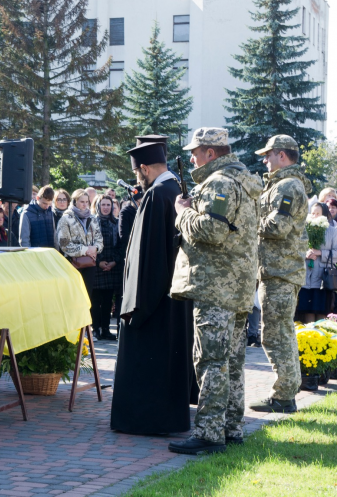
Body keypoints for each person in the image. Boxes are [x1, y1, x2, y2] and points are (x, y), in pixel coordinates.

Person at [168, 127, 262, 455]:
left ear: (211, 153)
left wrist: (183, 213)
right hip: (237, 286)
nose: (192, 157)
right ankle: (231, 428)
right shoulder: (244, 183)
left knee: (210, 360)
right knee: (232, 360)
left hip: (216, 285)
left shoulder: (220, 183)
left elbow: (212, 231)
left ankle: (209, 434)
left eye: (196, 151)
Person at [111, 141, 193, 436]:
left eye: (136, 174)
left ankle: (145, 420)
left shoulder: (157, 195)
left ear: (145, 168)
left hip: (154, 300)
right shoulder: (175, 192)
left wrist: (136, 304)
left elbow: (149, 258)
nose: (136, 180)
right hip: (175, 294)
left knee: (150, 361)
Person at [252, 135, 311, 414]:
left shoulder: (288, 186)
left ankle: (285, 395)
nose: (265, 160)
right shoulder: (282, 184)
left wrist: (248, 219)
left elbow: (278, 227)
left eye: (268, 155)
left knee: (277, 334)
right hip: (277, 270)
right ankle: (285, 392)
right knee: (275, 332)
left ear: (282, 156)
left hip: (281, 271)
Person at [55, 189, 103, 297]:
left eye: (87, 202)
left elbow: (99, 240)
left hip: (90, 263)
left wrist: (95, 248)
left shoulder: (92, 218)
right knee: (74, 297)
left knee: (88, 296)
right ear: (75, 201)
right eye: (82, 202)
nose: (85, 204)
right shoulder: (65, 219)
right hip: (72, 263)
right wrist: (86, 250)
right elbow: (64, 244)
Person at [90, 195, 122, 341]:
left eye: (108, 205)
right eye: (103, 204)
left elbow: (120, 245)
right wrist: (99, 262)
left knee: (108, 301)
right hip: (96, 266)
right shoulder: (92, 222)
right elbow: (89, 244)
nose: (106, 207)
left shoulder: (116, 223)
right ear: (98, 206)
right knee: (96, 301)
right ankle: (95, 329)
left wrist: (114, 261)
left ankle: (106, 329)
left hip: (112, 266)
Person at [297, 203, 335, 323]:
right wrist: (306, 253)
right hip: (305, 278)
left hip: (323, 279)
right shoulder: (304, 229)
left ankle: (321, 338)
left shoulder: (333, 231)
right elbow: (295, 249)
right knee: (306, 310)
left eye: (318, 213)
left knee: (321, 311)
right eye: (312, 213)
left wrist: (320, 253)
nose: (314, 216)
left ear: (324, 214)